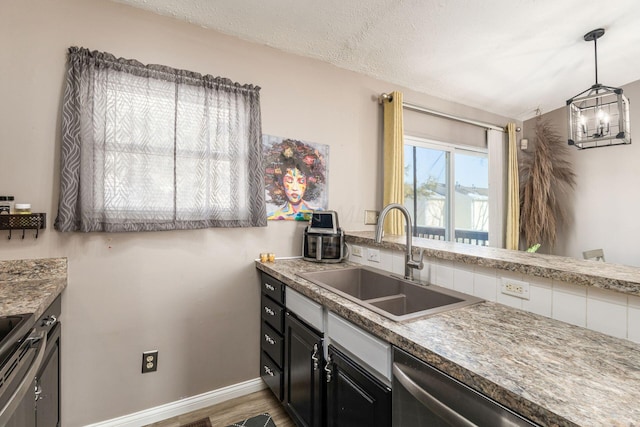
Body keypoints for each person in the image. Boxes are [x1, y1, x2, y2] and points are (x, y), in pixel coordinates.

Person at [265, 139, 325, 221]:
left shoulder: (319, 214)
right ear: (280, 183)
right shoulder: (273, 217)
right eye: (289, 180)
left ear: (307, 184)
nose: (295, 188)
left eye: (301, 181)